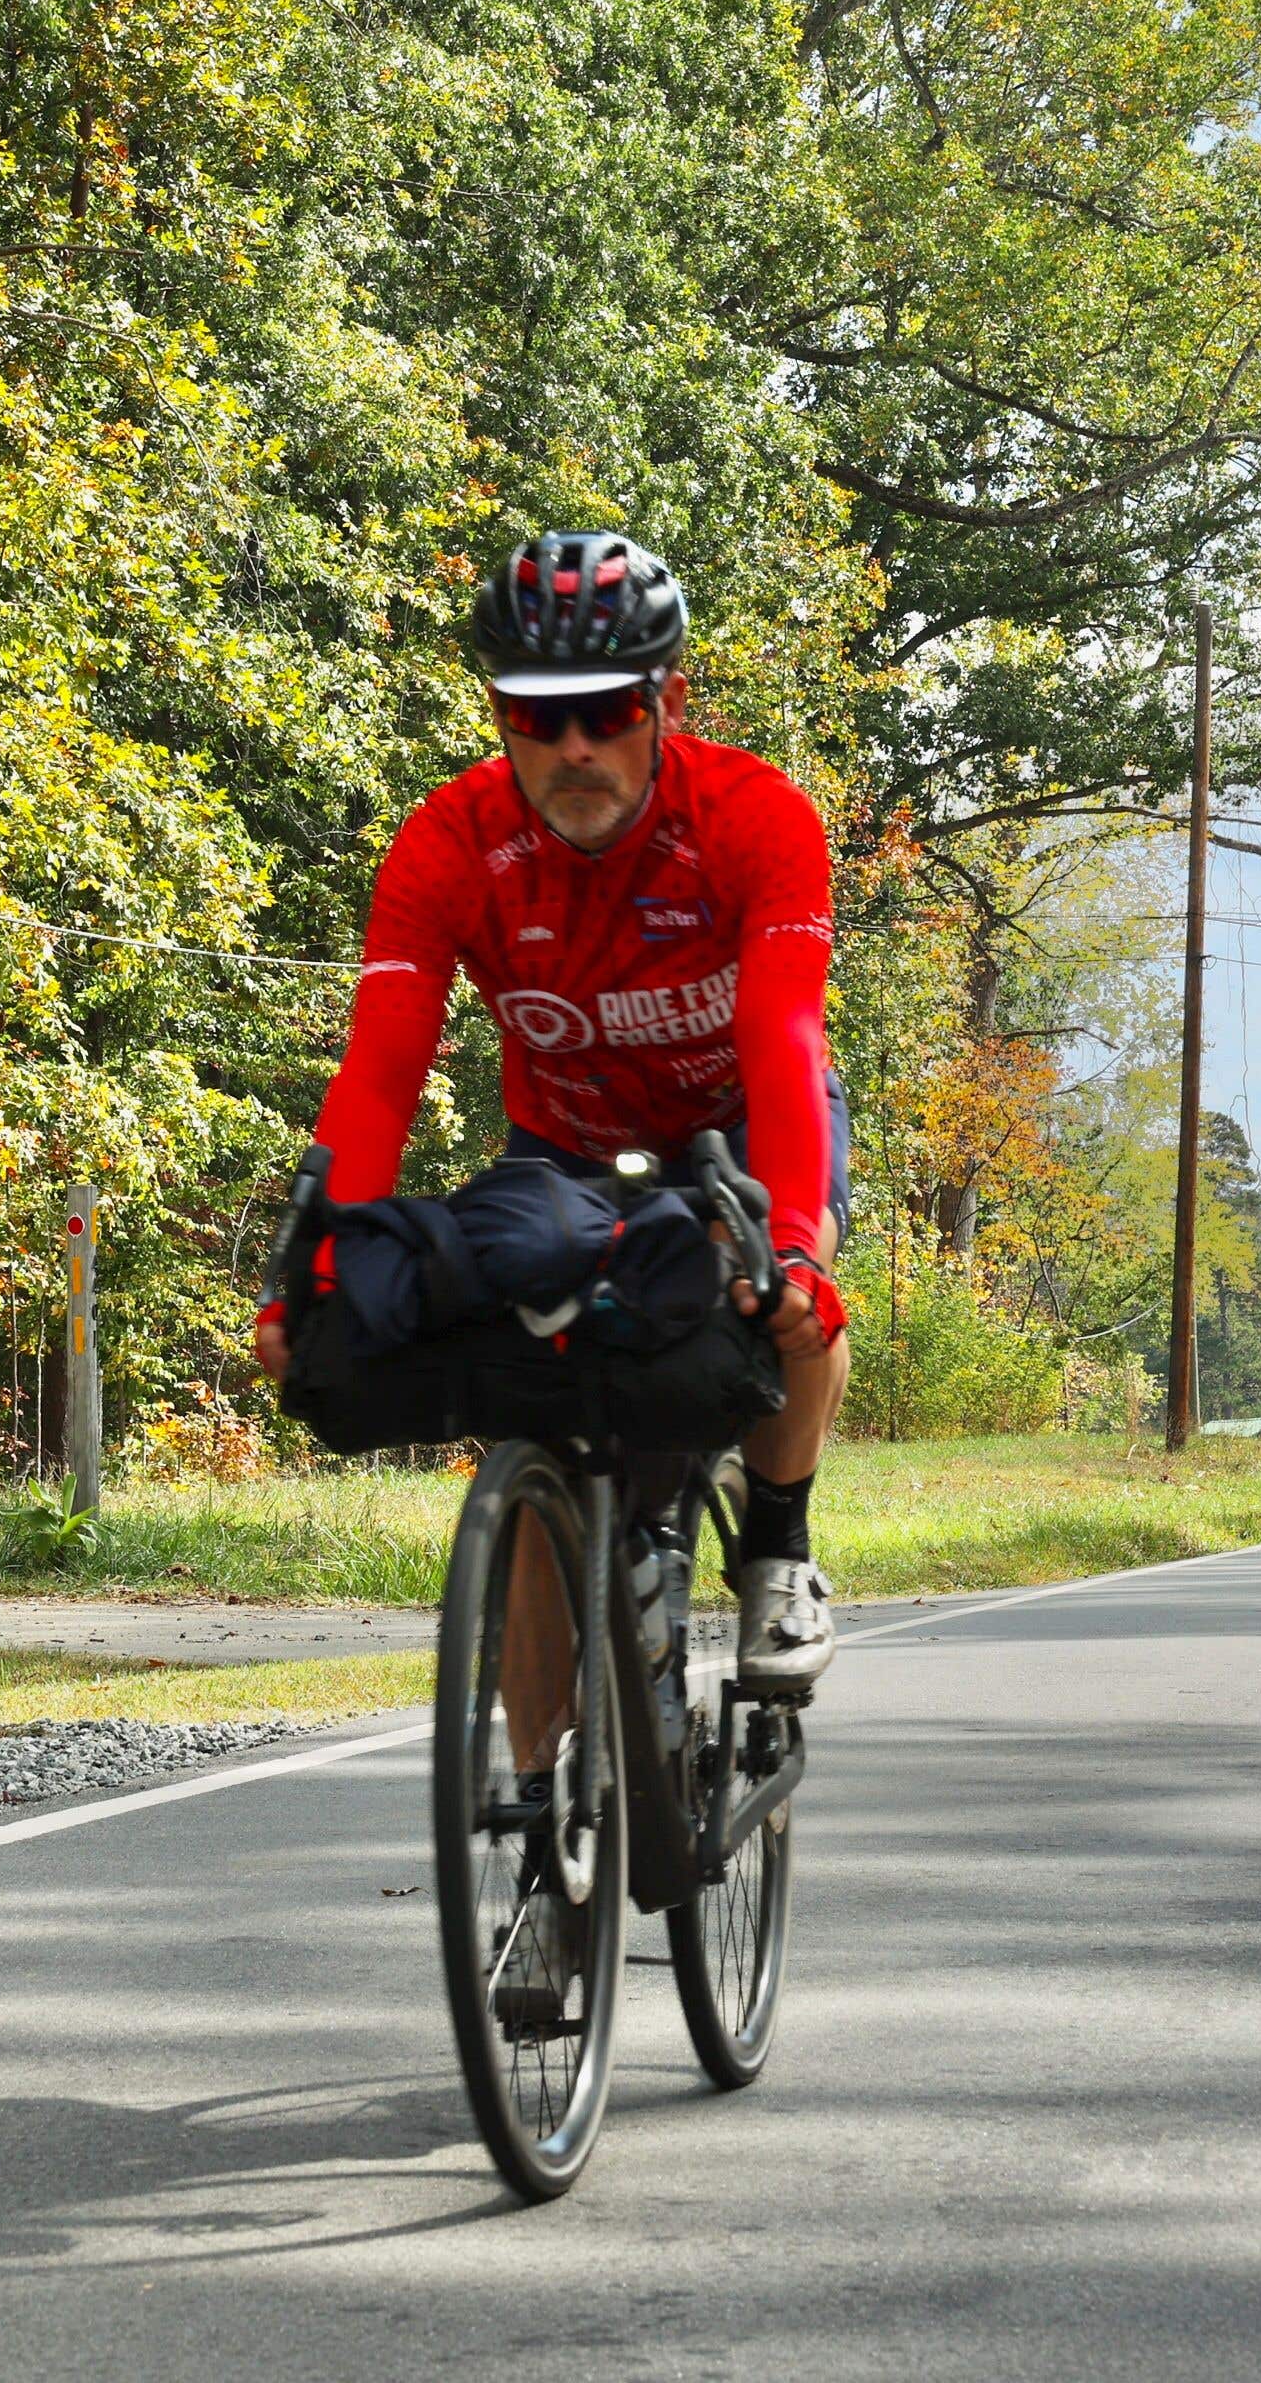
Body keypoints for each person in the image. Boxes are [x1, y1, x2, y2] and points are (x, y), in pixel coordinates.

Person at [252, 529, 850, 1698]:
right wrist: (313, 1268)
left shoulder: (753, 816)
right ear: (497, 712)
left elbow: (786, 1038)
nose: (576, 745)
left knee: (798, 1309)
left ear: (665, 698)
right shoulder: (449, 843)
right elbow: (381, 1071)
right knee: (538, 1447)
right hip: (566, 1148)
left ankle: (778, 1546)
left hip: (743, 1125)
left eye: (609, 708)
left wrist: (789, 1249)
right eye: (536, 717)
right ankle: (537, 1826)